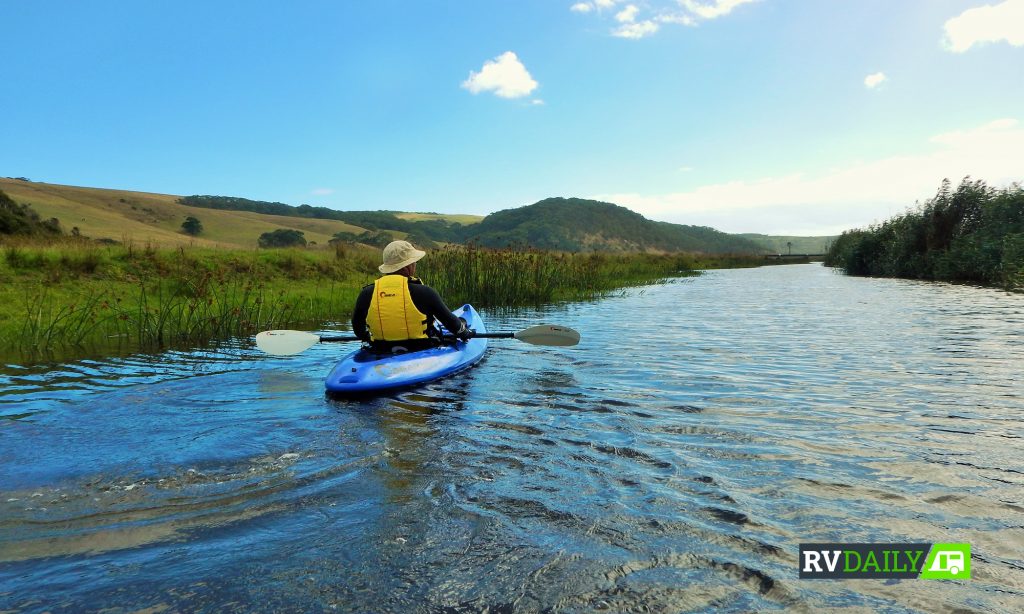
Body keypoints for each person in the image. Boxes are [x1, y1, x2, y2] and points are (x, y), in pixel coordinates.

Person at [351, 240, 472, 352]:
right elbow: (451, 323)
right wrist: (465, 333)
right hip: (421, 350)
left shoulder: (366, 293)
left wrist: (367, 337)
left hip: (381, 350)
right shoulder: (425, 292)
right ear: (408, 266)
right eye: (414, 262)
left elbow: (358, 329)